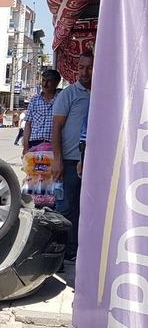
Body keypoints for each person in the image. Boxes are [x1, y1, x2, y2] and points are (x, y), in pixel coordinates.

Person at [51, 52, 93, 262]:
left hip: (94, 164)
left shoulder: (103, 93)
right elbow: (56, 128)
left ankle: (77, 250)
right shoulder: (68, 94)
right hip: (68, 162)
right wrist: (57, 159)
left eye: (89, 67)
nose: (84, 72)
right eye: (82, 67)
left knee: (85, 209)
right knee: (65, 208)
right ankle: (61, 252)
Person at [22, 69, 62, 154]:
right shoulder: (34, 100)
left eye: (49, 81)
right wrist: (26, 147)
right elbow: (28, 124)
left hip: (54, 145)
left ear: (56, 83)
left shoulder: (62, 99)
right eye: (43, 80)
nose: (45, 84)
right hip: (34, 144)